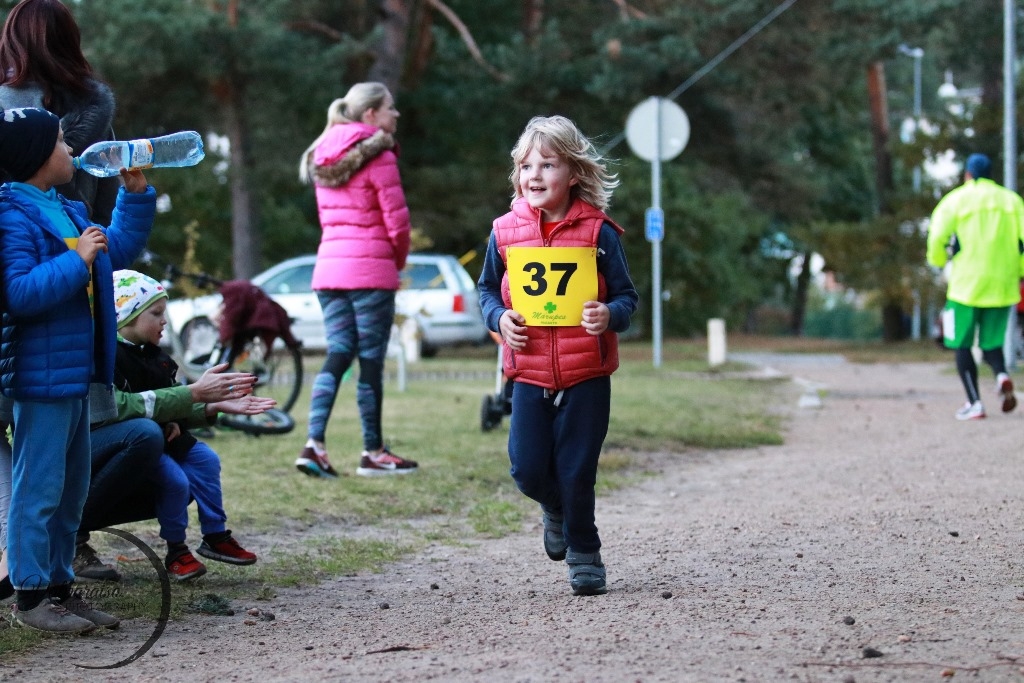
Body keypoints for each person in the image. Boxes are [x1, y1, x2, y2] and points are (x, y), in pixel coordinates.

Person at [0, 0, 150, 585]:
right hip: (38, 373)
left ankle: (60, 583)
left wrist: (134, 199)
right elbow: (19, 291)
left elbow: (112, 248)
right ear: (41, 156)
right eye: (64, 145)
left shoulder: (65, 207)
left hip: (74, 369)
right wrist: (78, 260)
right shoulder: (15, 214)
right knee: (35, 490)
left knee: (66, 491)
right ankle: (32, 591)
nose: (79, 152)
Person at [477, 115, 638, 596]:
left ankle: (585, 552)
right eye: (527, 166)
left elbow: (628, 299)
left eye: (548, 164)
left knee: (576, 469)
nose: (535, 175)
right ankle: (556, 509)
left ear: (574, 172)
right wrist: (498, 319)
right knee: (527, 469)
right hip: (526, 372)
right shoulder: (505, 233)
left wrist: (608, 315)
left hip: (586, 371)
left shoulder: (598, 233)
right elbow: (487, 290)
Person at [109, 270, 273, 580]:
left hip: (168, 437)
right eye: (155, 313)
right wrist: (169, 414)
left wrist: (211, 406)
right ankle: (176, 550)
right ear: (127, 315)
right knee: (175, 481)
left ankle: (216, 535)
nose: (164, 321)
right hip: (141, 443)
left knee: (206, 459)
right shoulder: (110, 359)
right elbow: (122, 408)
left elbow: (175, 401)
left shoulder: (159, 359)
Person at [295, 82, 417, 478]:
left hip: (328, 270)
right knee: (369, 362)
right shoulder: (379, 155)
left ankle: (314, 444)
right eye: (390, 108)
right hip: (369, 272)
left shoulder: (322, 153)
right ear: (370, 115)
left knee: (338, 351)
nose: (395, 115)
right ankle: (373, 452)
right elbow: (396, 223)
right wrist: (395, 261)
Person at [926, 152, 1024, 421]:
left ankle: (975, 404)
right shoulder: (1012, 201)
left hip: (966, 286)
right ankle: (1002, 375)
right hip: (1003, 284)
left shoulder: (956, 199)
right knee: (992, 344)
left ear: (967, 174)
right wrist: (1021, 271)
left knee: (962, 344)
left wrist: (937, 260)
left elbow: (937, 234)